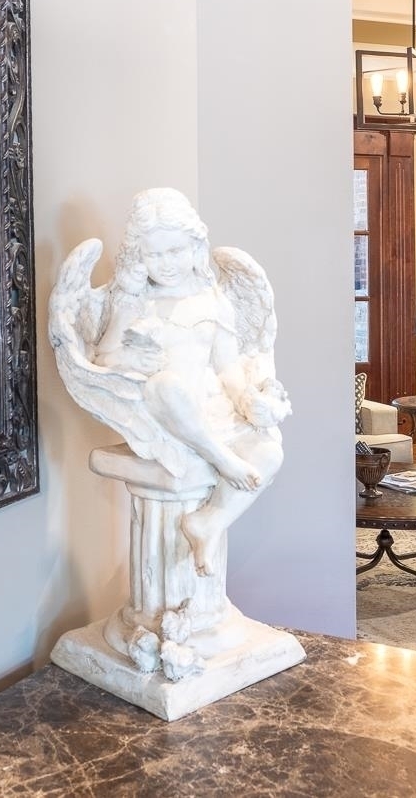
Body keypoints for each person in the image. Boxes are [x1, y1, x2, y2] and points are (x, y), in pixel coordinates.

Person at [92, 189, 289, 576]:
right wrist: (128, 359)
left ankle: (209, 522)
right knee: (164, 384)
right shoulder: (132, 302)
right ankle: (221, 459)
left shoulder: (212, 301)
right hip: (162, 415)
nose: (166, 264)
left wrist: (248, 398)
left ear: (195, 247)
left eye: (175, 251)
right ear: (138, 256)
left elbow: (228, 368)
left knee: (269, 453)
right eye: (154, 254)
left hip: (210, 411)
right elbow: (103, 360)